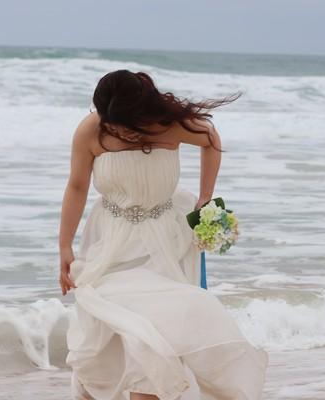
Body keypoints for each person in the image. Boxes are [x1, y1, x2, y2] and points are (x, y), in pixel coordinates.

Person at [58, 70, 268, 400]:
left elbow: (211, 139)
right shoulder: (92, 128)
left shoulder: (171, 124)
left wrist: (205, 198)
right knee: (110, 326)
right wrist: (64, 246)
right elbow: (77, 185)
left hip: (164, 240)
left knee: (157, 327)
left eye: (120, 121)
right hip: (109, 239)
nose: (112, 127)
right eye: (107, 119)